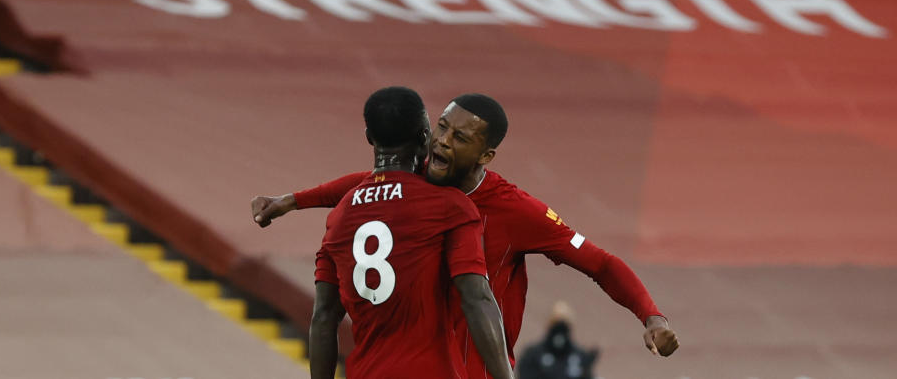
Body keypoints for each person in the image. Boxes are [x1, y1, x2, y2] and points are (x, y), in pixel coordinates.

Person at [257, 93, 680, 379]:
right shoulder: (416, 179)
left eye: (459, 137)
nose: (441, 142)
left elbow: (600, 263)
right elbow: (362, 183)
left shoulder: (516, 210)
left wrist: (651, 315)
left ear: (486, 155)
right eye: (441, 127)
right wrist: (292, 201)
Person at [310, 87, 514, 379]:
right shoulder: (450, 206)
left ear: (370, 137)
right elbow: (477, 299)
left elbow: (323, 319)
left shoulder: (340, 217)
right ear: (423, 138)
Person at [515, 302, 599, 379]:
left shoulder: (580, 357)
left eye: (565, 323)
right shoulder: (532, 355)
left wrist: (587, 368)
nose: (560, 327)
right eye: (556, 322)